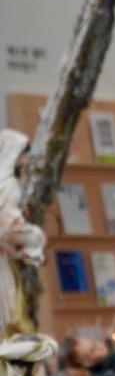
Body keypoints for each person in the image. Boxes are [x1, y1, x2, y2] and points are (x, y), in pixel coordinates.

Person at [0, 129, 44, 337]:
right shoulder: (6, 185)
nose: (25, 160)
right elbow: (11, 228)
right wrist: (35, 237)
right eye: (23, 154)